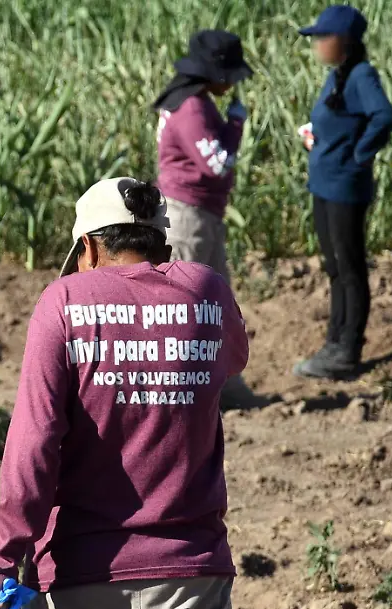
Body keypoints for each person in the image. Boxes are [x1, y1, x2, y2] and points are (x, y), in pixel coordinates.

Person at [0, 177, 249, 609]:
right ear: (159, 240)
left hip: (83, 576)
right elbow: (233, 360)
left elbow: (33, 446)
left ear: (88, 245)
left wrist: (2, 558)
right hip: (193, 577)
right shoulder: (208, 291)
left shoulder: (64, 302)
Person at [153, 29, 260, 409]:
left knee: (214, 303)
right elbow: (217, 163)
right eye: (229, 75)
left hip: (198, 216)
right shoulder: (192, 108)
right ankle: (179, 396)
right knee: (187, 305)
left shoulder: (187, 100)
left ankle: (225, 391)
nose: (231, 84)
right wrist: (235, 125)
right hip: (188, 217)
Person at [293, 5, 392, 380]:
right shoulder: (338, 76)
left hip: (345, 187)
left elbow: (383, 116)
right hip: (325, 183)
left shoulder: (361, 75)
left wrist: (358, 155)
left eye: (323, 37)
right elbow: (340, 120)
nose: (317, 44)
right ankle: (334, 340)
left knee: (350, 267)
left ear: (346, 42)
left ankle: (347, 349)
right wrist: (320, 139)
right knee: (334, 266)